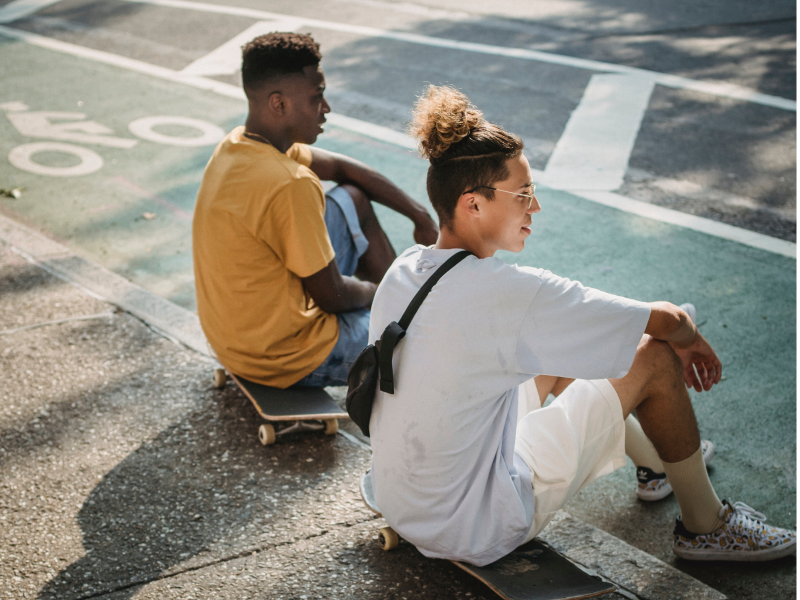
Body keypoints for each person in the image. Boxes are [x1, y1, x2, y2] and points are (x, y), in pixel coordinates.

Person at [367, 85, 797, 565]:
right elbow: (667, 321)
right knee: (653, 356)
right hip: (474, 521)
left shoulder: (404, 269)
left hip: (403, 499)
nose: (536, 208)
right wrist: (688, 339)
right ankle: (705, 527)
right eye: (524, 194)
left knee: (561, 348)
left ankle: (655, 466)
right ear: (474, 204)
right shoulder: (511, 295)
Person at [193, 33, 438, 388]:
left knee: (353, 197)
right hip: (285, 358)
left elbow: (342, 170)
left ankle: (401, 309)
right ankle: (401, 315)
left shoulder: (238, 145)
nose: (326, 108)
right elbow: (333, 297)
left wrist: (419, 215)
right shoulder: (289, 183)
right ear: (279, 104)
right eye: (317, 96)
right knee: (423, 342)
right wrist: (382, 290)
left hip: (233, 341)